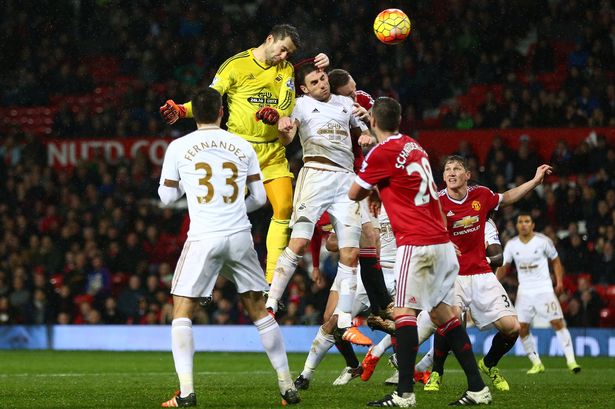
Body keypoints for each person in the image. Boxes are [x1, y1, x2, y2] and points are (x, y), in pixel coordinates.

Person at [157, 87, 299, 407]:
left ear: (195, 113)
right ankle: (287, 385)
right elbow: (260, 199)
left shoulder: (179, 147)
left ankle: (187, 393)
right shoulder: (242, 144)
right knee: (258, 310)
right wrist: (233, 208)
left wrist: (190, 192)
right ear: (222, 112)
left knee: (182, 312)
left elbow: (166, 198)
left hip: (204, 235)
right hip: (239, 235)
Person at [349, 97, 491, 407]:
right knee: (444, 315)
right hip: (441, 242)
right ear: (399, 120)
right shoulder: (415, 146)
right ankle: (478, 389)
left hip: (415, 242)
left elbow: (353, 192)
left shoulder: (381, 152)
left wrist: (370, 176)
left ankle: (404, 394)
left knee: (403, 314)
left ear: (373, 121)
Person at [160, 24, 329, 284]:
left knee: (284, 207)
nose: (284, 57)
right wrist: (183, 110)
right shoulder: (235, 65)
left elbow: (286, 103)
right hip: (238, 152)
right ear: (270, 39)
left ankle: (272, 283)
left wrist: (278, 116)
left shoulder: (285, 70)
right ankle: (202, 273)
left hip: (272, 151)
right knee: (219, 215)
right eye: (283, 49)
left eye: (289, 53)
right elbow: (211, 99)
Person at [265, 61, 373, 390]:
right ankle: (271, 303)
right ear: (305, 88)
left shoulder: (344, 103)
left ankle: (344, 320)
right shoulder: (298, 105)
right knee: (297, 243)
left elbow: (363, 122)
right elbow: (287, 133)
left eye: (324, 78)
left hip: (345, 181)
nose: (322, 83)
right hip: (314, 175)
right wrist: (284, 129)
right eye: (315, 81)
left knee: (351, 253)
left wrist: (366, 131)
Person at [423, 156, 552, 393]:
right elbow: (421, 227)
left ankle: (490, 363)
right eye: (447, 170)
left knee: (512, 328)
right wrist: (440, 242)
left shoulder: (481, 195)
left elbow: (509, 197)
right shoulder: (437, 201)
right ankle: (435, 374)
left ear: (467, 175)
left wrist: (534, 181)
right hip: (451, 275)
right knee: (447, 323)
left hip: (482, 273)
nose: (451, 173)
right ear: (442, 178)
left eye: (457, 168)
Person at [497, 212, 581, 374]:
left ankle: (571, 361)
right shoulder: (512, 245)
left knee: (557, 322)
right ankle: (536, 363)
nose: (523, 224)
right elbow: (504, 267)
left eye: (527, 221)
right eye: (520, 221)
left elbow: (556, 261)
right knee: (521, 328)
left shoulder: (543, 241)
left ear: (533, 225)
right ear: (516, 226)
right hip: (524, 291)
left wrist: (560, 281)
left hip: (544, 289)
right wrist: (494, 281)